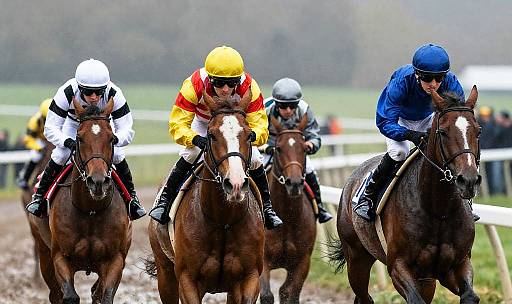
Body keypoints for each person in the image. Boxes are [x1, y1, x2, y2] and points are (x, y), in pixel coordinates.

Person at [149, 45, 283, 229]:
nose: (226, 89)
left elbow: (260, 124)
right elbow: (178, 123)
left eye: (231, 83)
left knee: (256, 158)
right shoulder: (194, 84)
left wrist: (253, 135)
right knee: (191, 153)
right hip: (203, 123)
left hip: (234, 126)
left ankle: (267, 208)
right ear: (209, 78)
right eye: (219, 83)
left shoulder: (250, 87)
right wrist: (194, 138)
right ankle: (164, 201)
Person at [354, 43, 479, 222]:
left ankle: (465, 202)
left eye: (439, 78)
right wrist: (409, 134)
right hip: (399, 120)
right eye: (428, 78)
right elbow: (384, 121)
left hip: (429, 118)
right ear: (417, 74)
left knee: (449, 153)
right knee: (399, 152)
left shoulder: (451, 82)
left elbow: (458, 116)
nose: (434, 84)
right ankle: (368, 195)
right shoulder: (401, 82)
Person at [26, 59, 146, 220]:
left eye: (99, 92)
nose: (94, 97)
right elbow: (50, 128)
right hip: (73, 124)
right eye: (88, 92)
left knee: (117, 154)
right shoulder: (66, 91)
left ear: (106, 88)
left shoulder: (115, 93)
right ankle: (39, 198)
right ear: (79, 87)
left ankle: (132, 200)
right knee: (61, 154)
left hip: (103, 125)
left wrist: (113, 140)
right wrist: (67, 142)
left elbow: (127, 129)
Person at [262, 77, 333, 223]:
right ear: (276, 103)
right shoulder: (264, 110)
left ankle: (319, 208)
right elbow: (253, 135)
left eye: (292, 106)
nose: (288, 110)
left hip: (295, 149)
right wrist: (267, 148)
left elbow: (314, 135)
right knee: (255, 168)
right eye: (283, 106)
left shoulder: (305, 110)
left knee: (310, 170)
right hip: (269, 146)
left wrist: (311, 145)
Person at [15, 98, 52, 190]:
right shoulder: (34, 121)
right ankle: (24, 178)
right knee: (35, 155)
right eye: (46, 118)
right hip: (41, 140)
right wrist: (39, 148)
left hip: (53, 139)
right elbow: (28, 139)